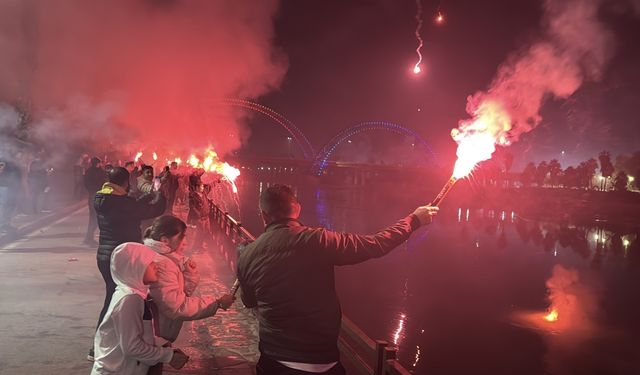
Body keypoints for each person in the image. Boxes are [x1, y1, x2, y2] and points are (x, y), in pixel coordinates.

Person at [236, 184, 439, 375]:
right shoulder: (319, 240)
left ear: (263, 215)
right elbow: (377, 244)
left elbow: (249, 301)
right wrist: (414, 220)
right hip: (323, 363)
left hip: (274, 361)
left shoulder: (247, 254)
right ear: (297, 209)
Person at [90, 167, 166, 360]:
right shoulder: (122, 203)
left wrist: (146, 195)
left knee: (112, 297)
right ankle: (100, 346)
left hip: (104, 256)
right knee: (116, 301)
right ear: (126, 182)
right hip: (122, 259)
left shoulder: (102, 198)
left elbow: (131, 206)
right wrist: (159, 192)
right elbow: (155, 209)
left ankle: (110, 342)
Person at [143, 215, 235, 372]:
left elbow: (178, 294)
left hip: (155, 334)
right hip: (153, 335)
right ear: (165, 240)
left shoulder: (165, 259)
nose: (185, 243)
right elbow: (177, 307)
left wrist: (188, 275)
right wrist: (216, 302)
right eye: (181, 238)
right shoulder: (163, 263)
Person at [91, 242, 189, 375]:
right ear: (136, 267)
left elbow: (136, 333)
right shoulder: (129, 300)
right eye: (150, 264)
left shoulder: (130, 294)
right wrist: (167, 356)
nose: (157, 267)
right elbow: (132, 347)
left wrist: (160, 343)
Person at [84, 157, 106, 246]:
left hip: (92, 195)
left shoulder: (88, 171)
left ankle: (88, 237)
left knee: (93, 218)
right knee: (95, 218)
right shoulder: (98, 172)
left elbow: (86, 183)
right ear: (97, 163)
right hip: (97, 195)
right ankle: (89, 238)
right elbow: (103, 181)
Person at [187, 178, 210, 251]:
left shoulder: (204, 193)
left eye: (203, 186)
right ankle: (196, 248)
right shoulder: (193, 196)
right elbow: (192, 207)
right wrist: (198, 215)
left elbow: (210, 186)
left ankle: (200, 246)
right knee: (199, 234)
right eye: (201, 186)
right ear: (197, 187)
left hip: (206, 218)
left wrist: (218, 179)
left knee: (205, 232)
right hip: (199, 219)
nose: (203, 188)